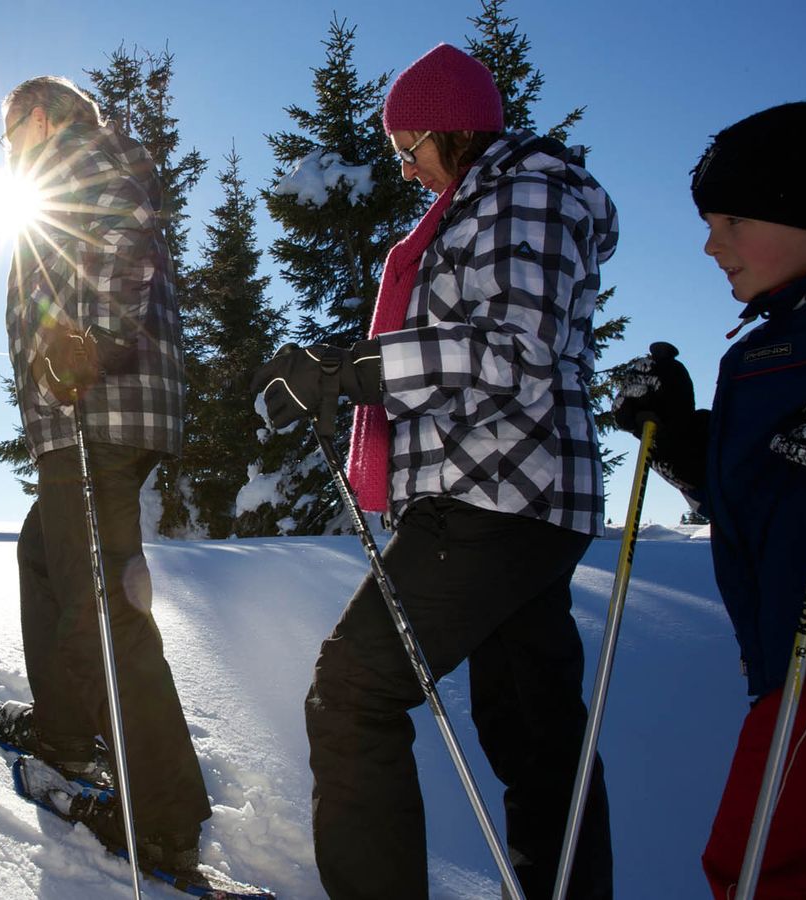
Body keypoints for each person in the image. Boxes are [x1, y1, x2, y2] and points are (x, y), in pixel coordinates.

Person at [252, 44, 618, 899]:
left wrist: (356, 370)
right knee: (531, 730)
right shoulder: (483, 203)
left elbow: (515, 352)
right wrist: (351, 372)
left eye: (408, 147)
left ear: (452, 130)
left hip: (497, 493)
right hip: (514, 493)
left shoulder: (524, 194)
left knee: (353, 690)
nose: (406, 168)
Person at [612, 101, 806, 899]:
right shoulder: (785, 337)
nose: (712, 244)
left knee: (774, 870)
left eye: (733, 219)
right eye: (709, 222)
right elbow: (780, 495)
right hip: (803, 667)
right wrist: (680, 439)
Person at [0, 75, 210, 872]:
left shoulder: (87, 158)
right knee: (44, 560)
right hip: (83, 413)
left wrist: (97, 342)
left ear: (39, 117)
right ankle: (66, 733)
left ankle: (163, 818)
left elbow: (126, 239)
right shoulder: (70, 168)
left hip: (103, 410)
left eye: (9, 132)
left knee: (99, 613)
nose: (6, 149)